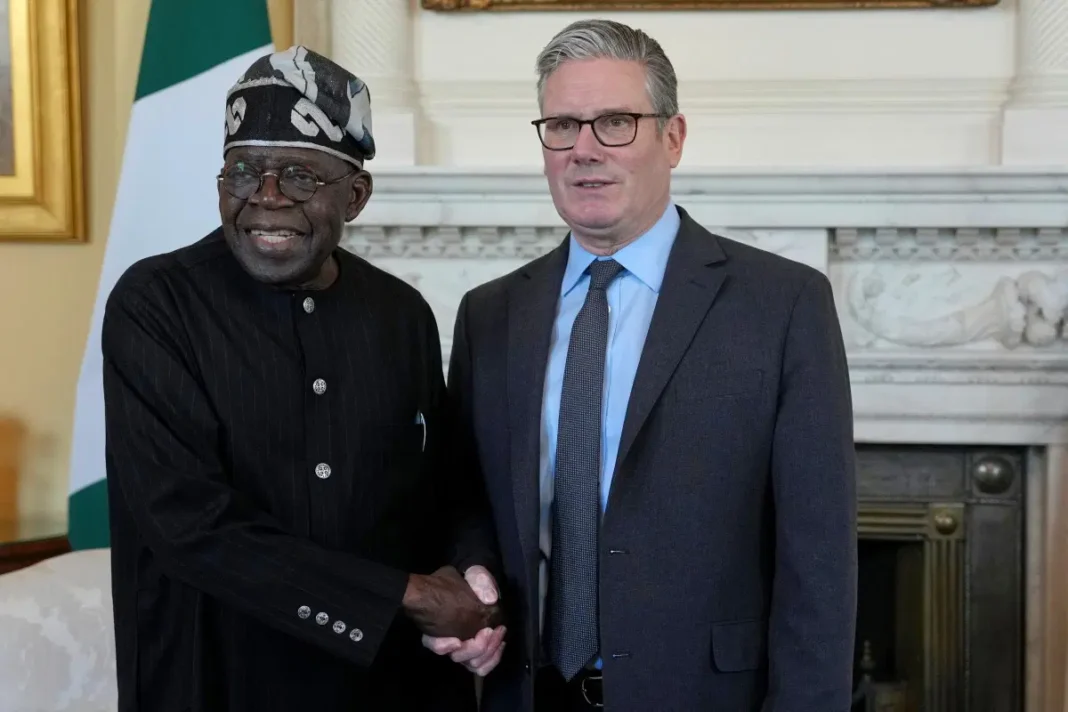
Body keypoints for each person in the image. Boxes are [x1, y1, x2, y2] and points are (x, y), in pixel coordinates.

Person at [433, 18, 858, 712]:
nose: (584, 150)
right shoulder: (491, 314)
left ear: (673, 137)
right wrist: (473, 570)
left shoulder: (782, 305)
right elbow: (468, 497)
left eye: (616, 123)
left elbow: (820, 566)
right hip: (528, 694)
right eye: (563, 126)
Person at [101, 45, 504, 712]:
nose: (265, 198)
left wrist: (474, 583)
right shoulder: (156, 303)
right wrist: (409, 596)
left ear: (357, 194)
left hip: (385, 686)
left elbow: (446, 486)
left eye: (299, 175)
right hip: (215, 678)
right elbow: (189, 523)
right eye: (243, 171)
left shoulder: (400, 313)